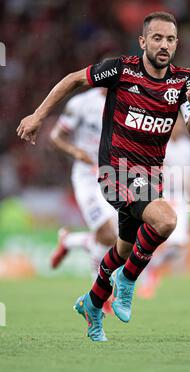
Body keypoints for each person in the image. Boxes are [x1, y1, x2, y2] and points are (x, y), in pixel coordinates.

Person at [17, 11, 190, 342]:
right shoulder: (121, 69)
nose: (164, 45)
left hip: (150, 176)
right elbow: (74, 79)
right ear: (143, 41)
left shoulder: (183, 81)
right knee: (165, 221)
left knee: (121, 249)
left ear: (177, 44)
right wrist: (38, 115)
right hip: (113, 171)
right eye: (157, 38)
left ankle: (91, 304)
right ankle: (128, 281)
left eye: (171, 39)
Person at [49, 88, 117, 282]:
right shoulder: (81, 103)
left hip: (112, 175)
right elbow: (56, 137)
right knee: (106, 233)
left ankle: (69, 241)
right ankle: (100, 292)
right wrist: (75, 151)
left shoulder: (129, 104)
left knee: (117, 240)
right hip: (86, 177)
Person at [137, 115, 190, 298]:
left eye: (181, 124)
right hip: (161, 195)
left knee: (178, 246)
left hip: (181, 197)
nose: (178, 127)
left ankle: (152, 267)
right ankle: (144, 276)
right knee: (152, 235)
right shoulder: (159, 143)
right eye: (175, 124)